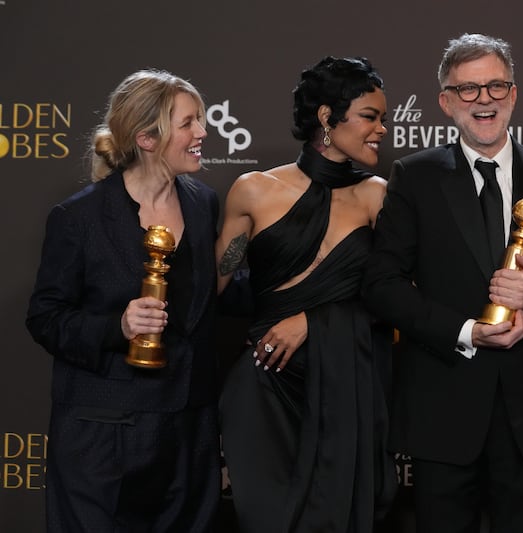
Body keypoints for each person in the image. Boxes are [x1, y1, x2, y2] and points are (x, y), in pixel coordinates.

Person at [361, 33, 523, 533]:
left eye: (496, 86)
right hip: (442, 409)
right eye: (468, 90)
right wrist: (466, 330)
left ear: (514, 94)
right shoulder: (415, 176)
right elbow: (381, 285)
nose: (484, 100)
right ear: (446, 102)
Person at [26, 69, 221, 532]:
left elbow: (212, 297)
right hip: (102, 434)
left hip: (187, 432)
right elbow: (45, 318)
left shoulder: (204, 203)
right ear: (147, 139)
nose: (203, 132)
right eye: (189, 122)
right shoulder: (78, 217)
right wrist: (119, 326)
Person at [215, 56, 396, 533]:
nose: (382, 129)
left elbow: (397, 299)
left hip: (345, 389)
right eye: (370, 116)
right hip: (265, 386)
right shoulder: (252, 191)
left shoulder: (377, 196)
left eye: (383, 118)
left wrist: (315, 320)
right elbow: (212, 288)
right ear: (326, 119)